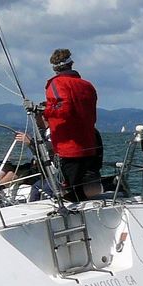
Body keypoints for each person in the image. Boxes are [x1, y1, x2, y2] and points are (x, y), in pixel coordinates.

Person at [39, 48, 102, 200]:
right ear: (71, 64)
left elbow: (63, 108)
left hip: (68, 145)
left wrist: (45, 111)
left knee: (70, 189)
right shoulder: (87, 85)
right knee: (79, 188)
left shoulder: (57, 83)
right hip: (88, 142)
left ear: (54, 68)